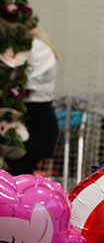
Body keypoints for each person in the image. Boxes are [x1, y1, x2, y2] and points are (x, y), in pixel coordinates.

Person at [3, 25, 57, 176]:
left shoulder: (36, 48)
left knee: (20, 174)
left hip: (34, 120)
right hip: (21, 117)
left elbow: (24, 85)